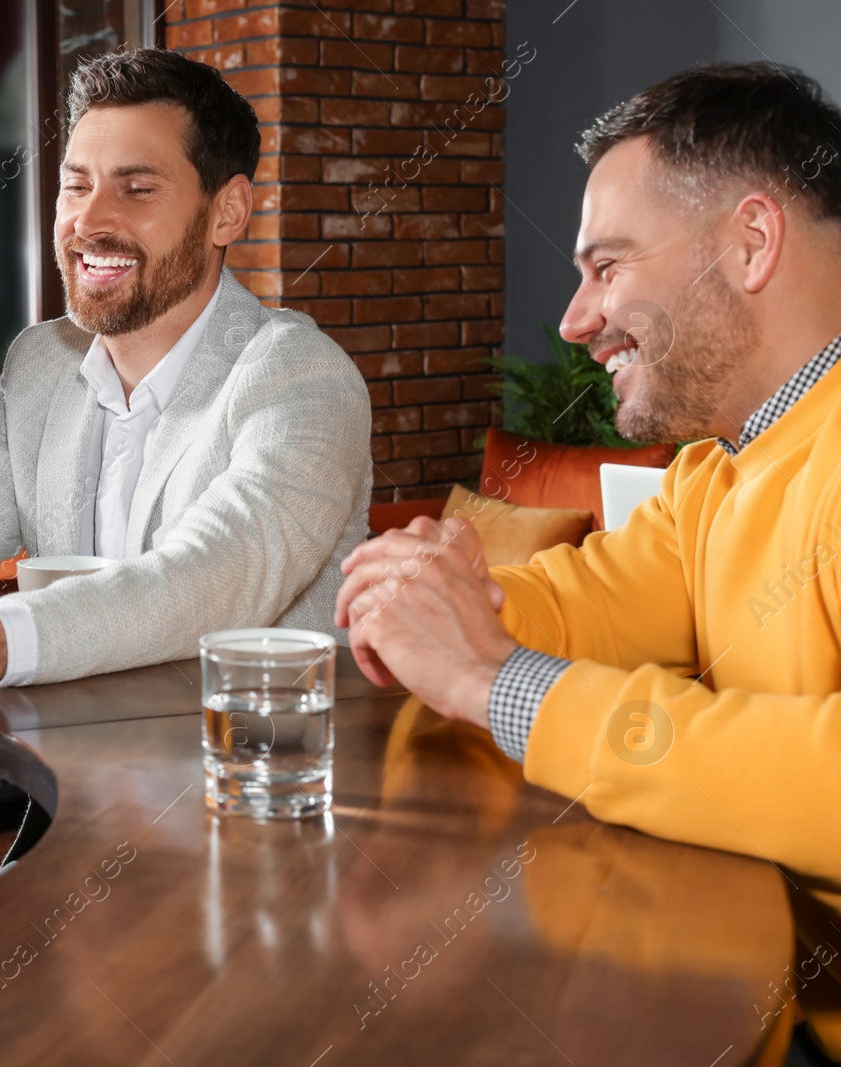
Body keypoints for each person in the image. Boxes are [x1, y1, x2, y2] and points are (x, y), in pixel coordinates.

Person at [333, 63, 841, 1064]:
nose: (574, 320)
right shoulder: (714, 473)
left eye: (605, 266)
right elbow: (584, 602)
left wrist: (499, 684)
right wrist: (431, 602)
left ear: (750, 242)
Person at [0, 48, 372, 699]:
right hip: (76, 769)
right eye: (77, 185)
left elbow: (213, 576)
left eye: (137, 189)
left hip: (256, 775)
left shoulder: (301, 375)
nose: (89, 222)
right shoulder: (41, 362)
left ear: (227, 212)